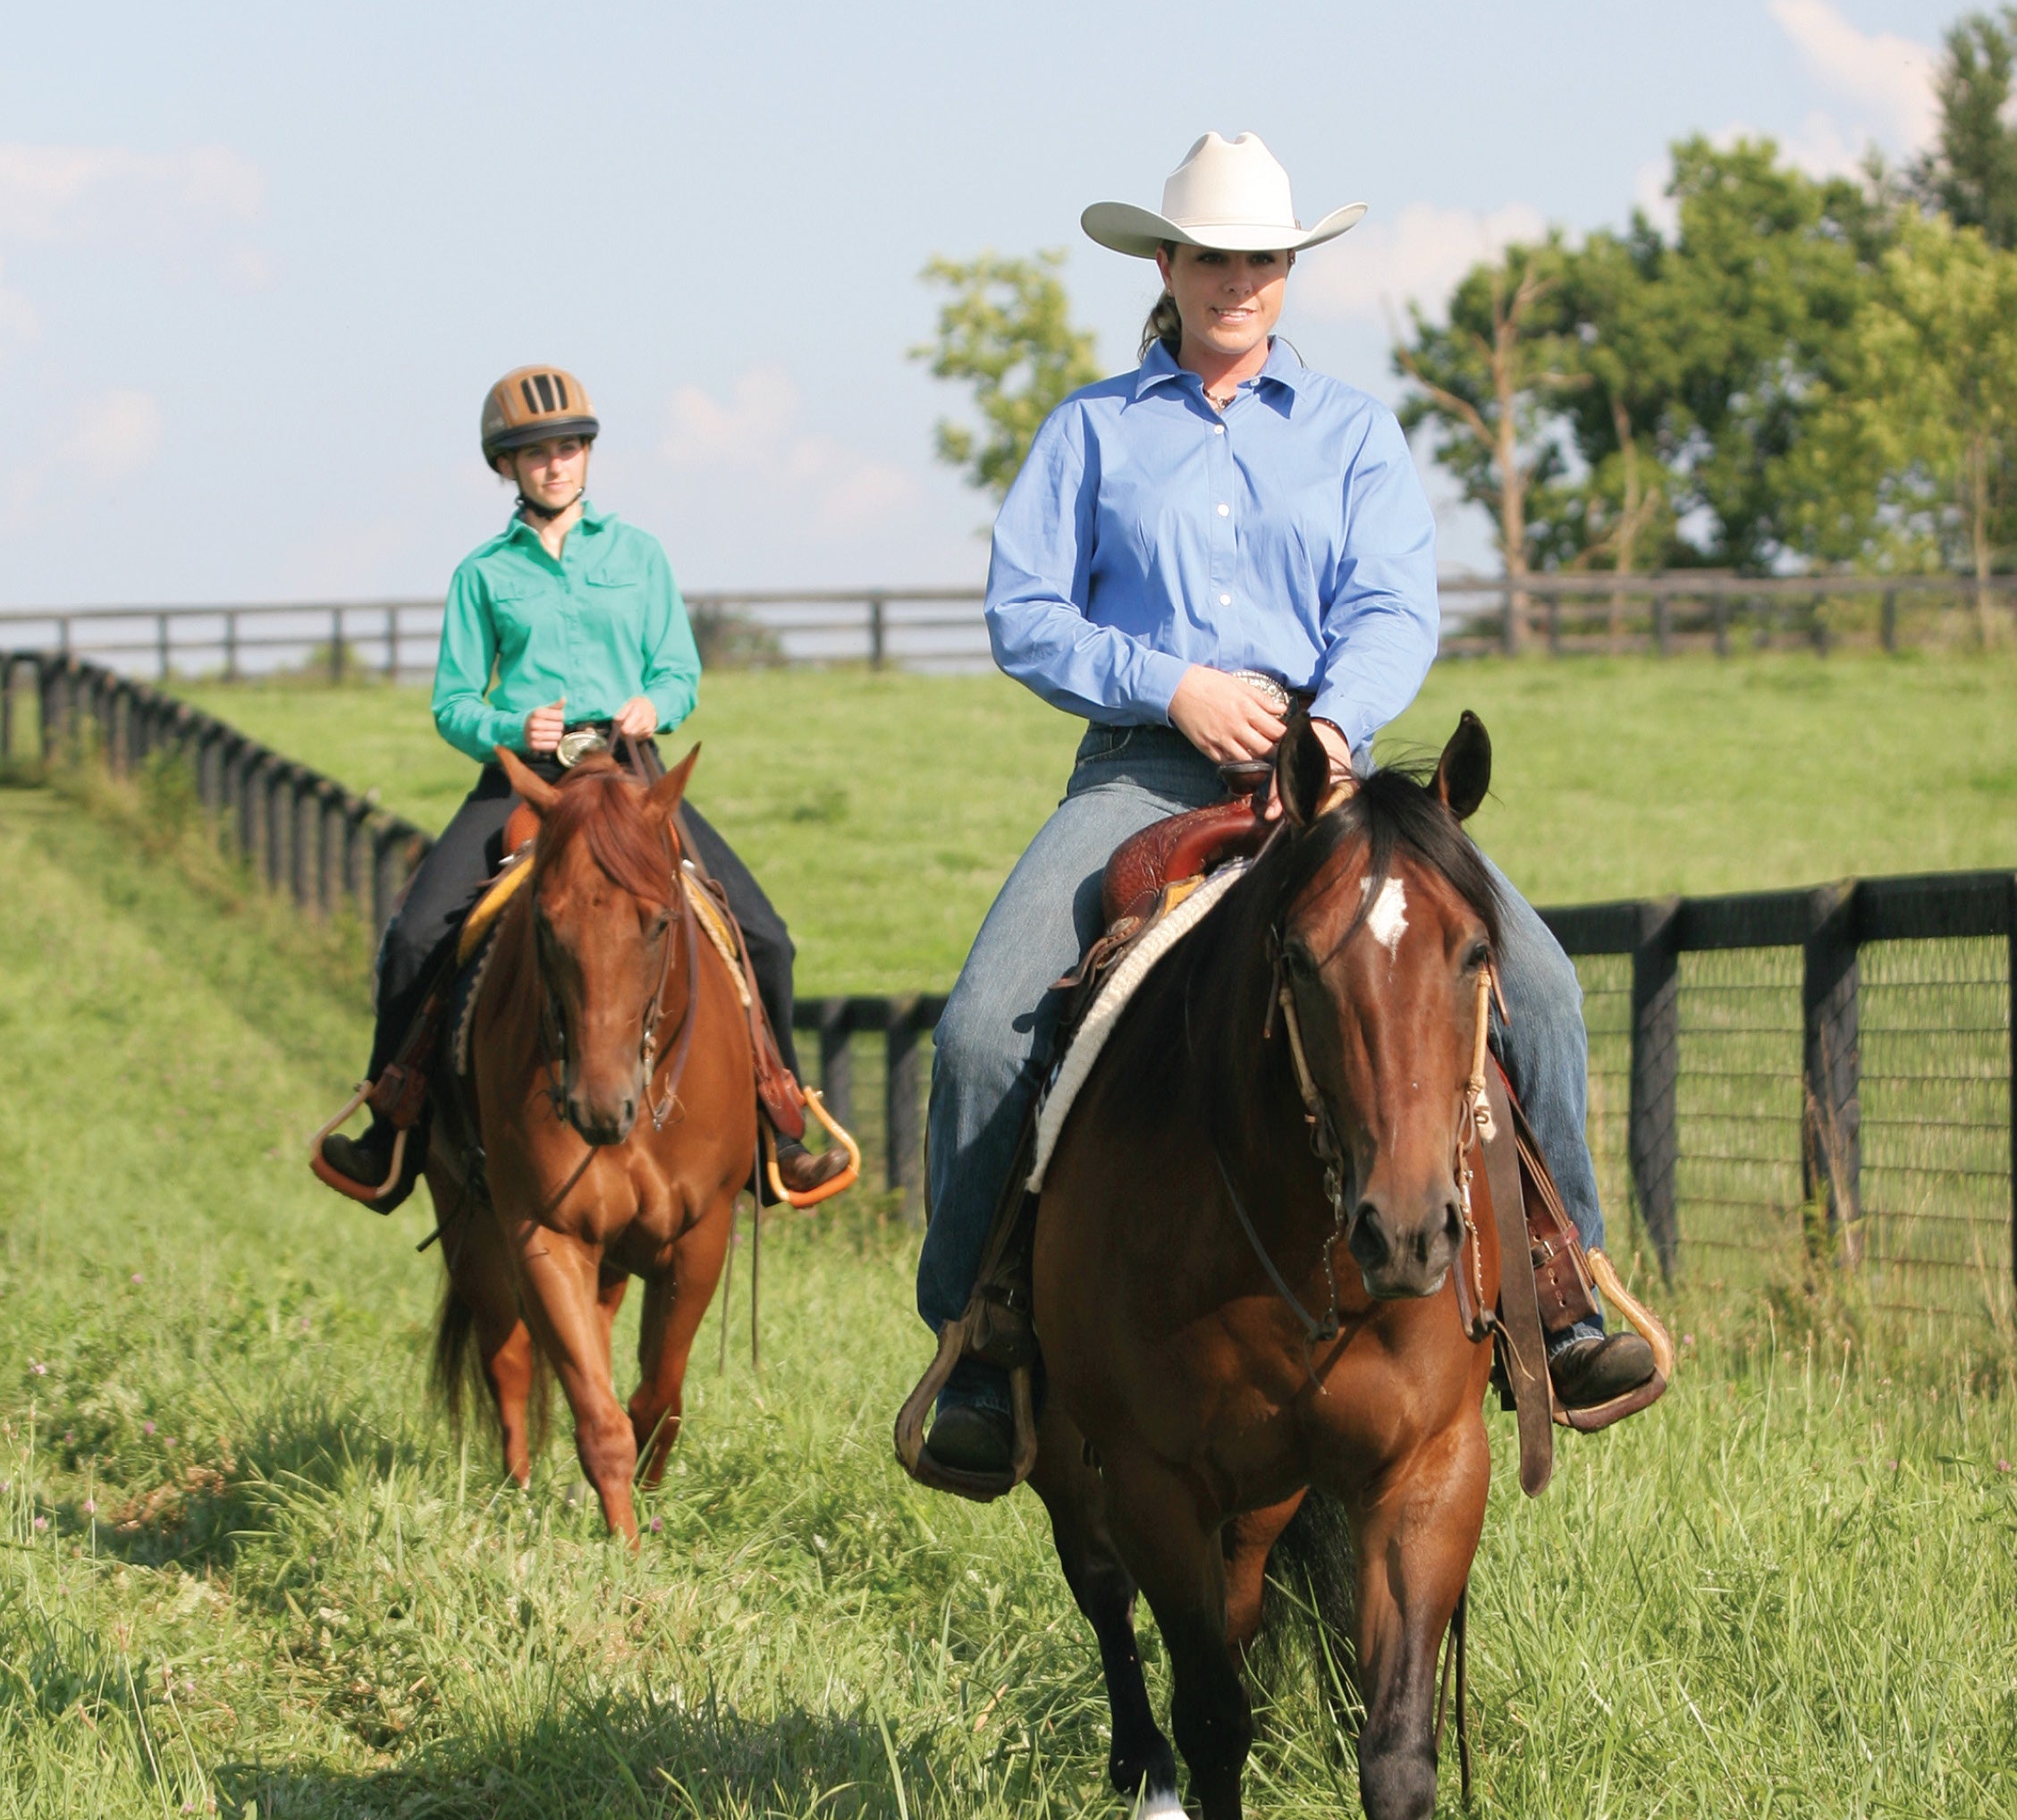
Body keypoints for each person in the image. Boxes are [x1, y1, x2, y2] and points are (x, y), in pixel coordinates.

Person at [917, 133, 1654, 1479]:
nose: (1238, 279)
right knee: (977, 1033)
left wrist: (1328, 721)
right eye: (1212, 255)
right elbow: (1024, 614)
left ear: (1288, 267)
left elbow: (1392, 604)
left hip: (1331, 778)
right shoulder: (1091, 428)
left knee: (1538, 985)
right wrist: (1175, 684)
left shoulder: (1354, 432)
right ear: (1167, 263)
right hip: (1144, 767)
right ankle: (977, 1338)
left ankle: (1561, 1284)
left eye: (1263, 256)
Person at [315, 365, 848, 1208]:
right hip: (525, 779)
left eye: (568, 448)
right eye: (535, 455)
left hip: (628, 772)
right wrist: (505, 727)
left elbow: (680, 669)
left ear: (587, 456)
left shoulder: (638, 555)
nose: (555, 465)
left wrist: (655, 703)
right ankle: (392, 1130)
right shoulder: (482, 573)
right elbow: (453, 703)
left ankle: (780, 1131)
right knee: (416, 935)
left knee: (767, 936)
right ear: (507, 467)